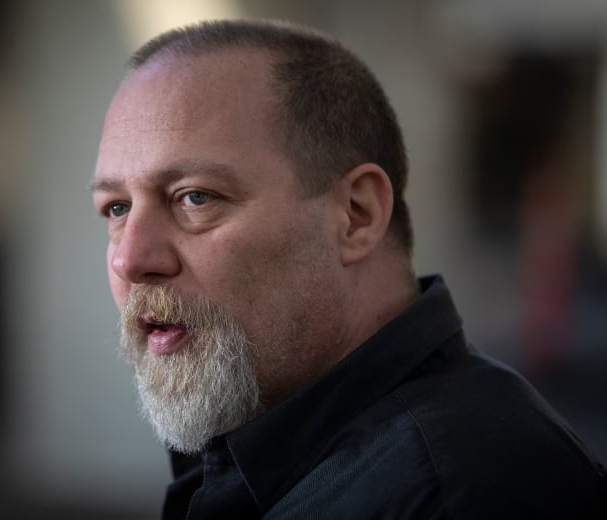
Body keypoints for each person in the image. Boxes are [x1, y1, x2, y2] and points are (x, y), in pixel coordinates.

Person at [91, 19, 606, 519]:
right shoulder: (265, 452)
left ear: (357, 216)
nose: (130, 259)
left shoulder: (459, 496)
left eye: (195, 198)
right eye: (116, 208)